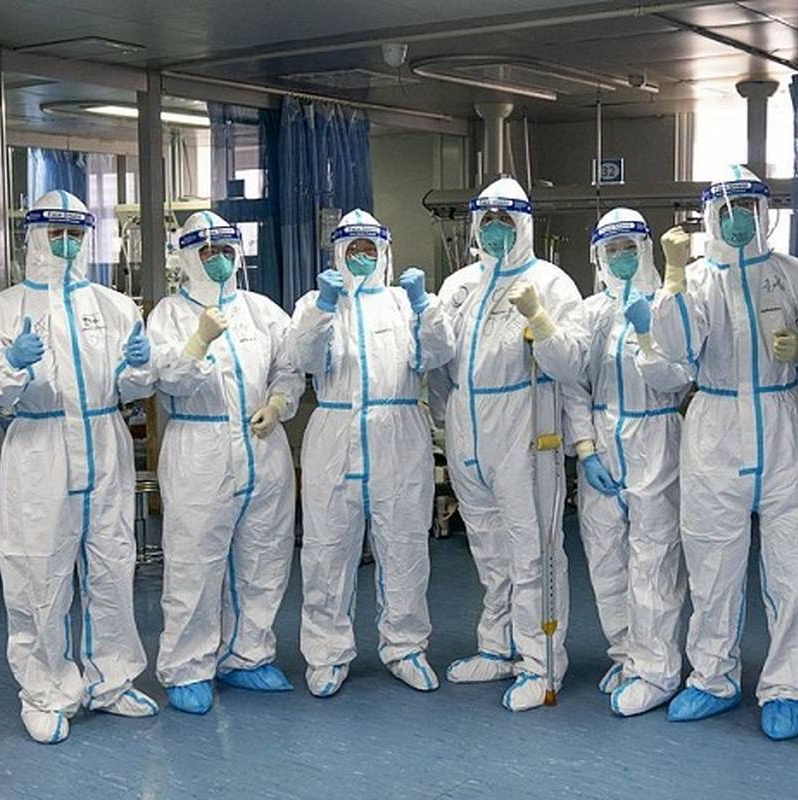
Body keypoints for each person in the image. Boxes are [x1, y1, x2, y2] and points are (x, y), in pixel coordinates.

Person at [0, 190, 158, 744]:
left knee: (112, 566)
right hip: (39, 447)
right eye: (57, 234)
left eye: (77, 234)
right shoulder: (4, 310)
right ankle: (45, 692)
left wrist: (139, 368)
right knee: (38, 574)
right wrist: (11, 363)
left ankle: (111, 681)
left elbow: (132, 385)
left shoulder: (114, 306)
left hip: (104, 442)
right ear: (34, 237)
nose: (68, 244)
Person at [645, 165, 798, 740]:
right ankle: (712, 678)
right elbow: (674, 349)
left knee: (795, 565)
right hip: (715, 427)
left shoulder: (794, 273)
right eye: (726, 211)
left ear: (764, 211)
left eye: (747, 207)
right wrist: (674, 276)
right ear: (710, 217)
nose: (737, 219)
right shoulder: (696, 278)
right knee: (712, 565)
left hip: (783, 423)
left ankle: (789, 686)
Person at [289, 209, 454, 697]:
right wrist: (323, 309)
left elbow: (437, 354)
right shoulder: (315, 303)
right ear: (338, 254)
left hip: (398, 433)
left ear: (384, 252)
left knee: (404, 546)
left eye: (369, 248)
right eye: (352, 249)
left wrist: (426, 306)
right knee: (327, 550)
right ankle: (326, 654)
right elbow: (304, 359)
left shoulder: (404, 303)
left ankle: (406, 648)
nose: (361, 257)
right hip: (334, 433)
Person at [437, 177, 587, 712]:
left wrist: (539, 320)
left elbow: (572, 363)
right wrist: (448, 421)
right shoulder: (459, 286)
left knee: (534, 550)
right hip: (467, 427)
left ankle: (540, 663)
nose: (496, 228)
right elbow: (440, 362)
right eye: (488, 219)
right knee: (487, 547)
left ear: (524, 223)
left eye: (506, 219)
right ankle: (497, 646)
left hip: (524, 427)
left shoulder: (551, 282)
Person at [148, 211, 303, 714]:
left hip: (263, 446)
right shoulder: (170, 314)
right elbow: (165, 378)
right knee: (195, 563)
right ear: (188, 257)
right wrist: (198, 341)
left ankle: (247, 656)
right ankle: (188, 667)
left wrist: (277, 404)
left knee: (264, 557)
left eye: (225, 250)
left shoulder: (262, 311)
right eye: (207, 251)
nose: (218, 260)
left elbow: (288, 368)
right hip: (200, 446)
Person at [561, 207, 689, 716]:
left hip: (655, 436)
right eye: (611, 249)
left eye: (629, 247)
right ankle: (626, 653)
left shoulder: (666, 305)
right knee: (606, 558)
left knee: (653, 558)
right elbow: (574, 384)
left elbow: (676, 378)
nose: (621, 257)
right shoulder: (590, 312)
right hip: (601, 441)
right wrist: (584, 447)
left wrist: (647, 334)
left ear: (645, 250)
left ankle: (657, 670)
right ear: (598, 255)